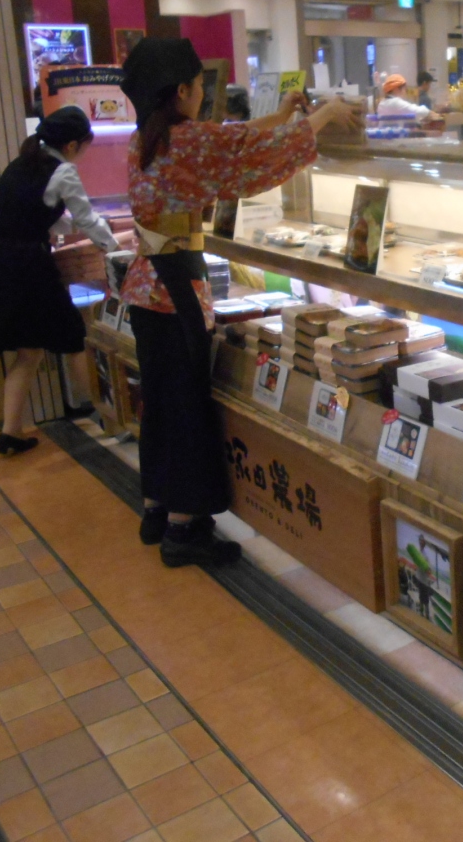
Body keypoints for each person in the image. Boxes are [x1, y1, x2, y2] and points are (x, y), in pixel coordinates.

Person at [120, 38, 360, 568]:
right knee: (186, 410)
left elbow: (231, 139)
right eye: (199, 86)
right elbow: (250, 156)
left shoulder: (147, 138)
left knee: (160, 404)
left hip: (144, 288)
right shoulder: (187, 141)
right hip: (174, 293)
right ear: (181, 91)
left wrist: (280, 116)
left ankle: (156, 509)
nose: (203, 95)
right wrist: (323, 115)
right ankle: (183, 531)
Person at [0, 106, 119, 456]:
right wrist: (117, 251)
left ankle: (10, 433)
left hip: (0, 264)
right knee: (73, 338)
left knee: (28, 349)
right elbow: (86, 219)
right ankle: (108, 417)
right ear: (72, 145)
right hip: (29, 267)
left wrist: (76, 228)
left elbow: (36, 214)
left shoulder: (22, 164)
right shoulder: (62, 171)